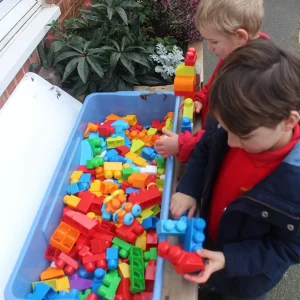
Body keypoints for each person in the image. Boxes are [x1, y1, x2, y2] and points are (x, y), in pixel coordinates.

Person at [170, 38, 300, 300]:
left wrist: (230, 259)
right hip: (207, 236)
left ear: (287, 122)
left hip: (243, 276)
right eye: (225, 130)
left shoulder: (295, 185)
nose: (230, 143)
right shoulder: (236, 122)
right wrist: (189, 188)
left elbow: (290, 248)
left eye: (242, 136)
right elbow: (206, 148)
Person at [155, 0, 269, 162]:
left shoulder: (248, 84)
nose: (209, 48)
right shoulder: (235, 53)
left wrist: (181, 144)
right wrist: (202, 97)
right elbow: (214, 82)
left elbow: (221, 135)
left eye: (214, 41)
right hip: (208, 130)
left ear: (240, 36)